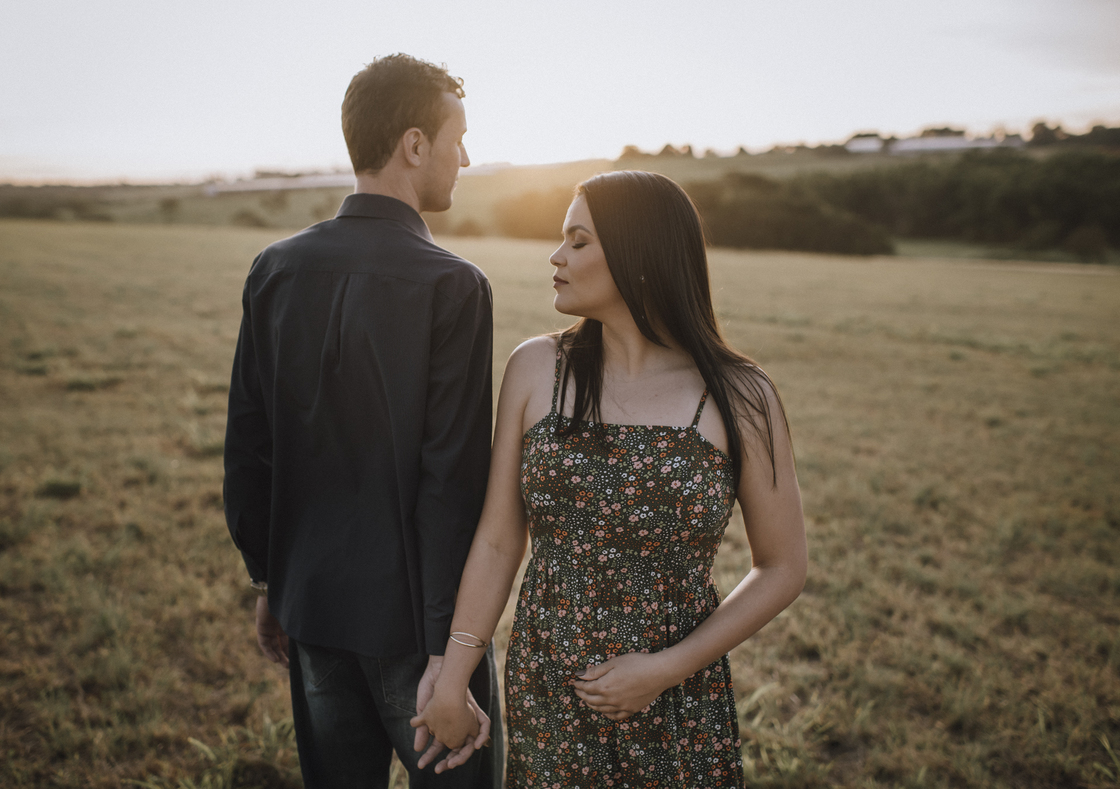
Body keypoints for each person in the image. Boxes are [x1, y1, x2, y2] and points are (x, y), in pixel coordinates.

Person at [411, 170, 807, 787]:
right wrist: (455, 678)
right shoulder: (537, 367)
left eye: (578, 241)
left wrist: (665, 670)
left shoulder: (741, 396)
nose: (556, 256)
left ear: (637, 256)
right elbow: (497, 540)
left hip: (678, 698)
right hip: (549, 685)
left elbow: (782, 566)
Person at [223, 53, 502, 788]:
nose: (465, 157)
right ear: (414, 145)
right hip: (418, 629)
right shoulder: (456, 287)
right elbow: (450, 482)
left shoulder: (273, 270)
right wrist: (453, 651)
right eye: (458, 137)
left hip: (310, 609)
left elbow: (249, 454)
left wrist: (272, 584)